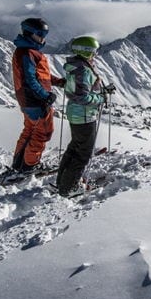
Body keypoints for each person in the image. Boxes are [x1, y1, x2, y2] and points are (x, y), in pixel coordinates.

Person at [56, 35, 112, 196]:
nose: (95, 54)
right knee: (83, 154)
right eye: (93, 51)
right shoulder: (83, 70)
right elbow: (82, 97)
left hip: (77, 114)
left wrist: (99, 92)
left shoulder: (76, 66)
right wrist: (101, 98)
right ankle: (69, 188)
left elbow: (78, 91)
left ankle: (62, 183)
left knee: (74, 148)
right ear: (86, 52)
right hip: (84, 116)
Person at [11, 17, 65, 174]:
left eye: (44, 34)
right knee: (42, 133)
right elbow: (30, 79)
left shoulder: (27, 52)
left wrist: (58, 81)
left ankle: (19, 164)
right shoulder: (28, 53)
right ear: (29, 33)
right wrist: (44, 95)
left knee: (29, 131)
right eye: (39, 34)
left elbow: (40, 76)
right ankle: (29, 165)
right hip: (36, 100)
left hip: (28, 100)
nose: (43, 38)